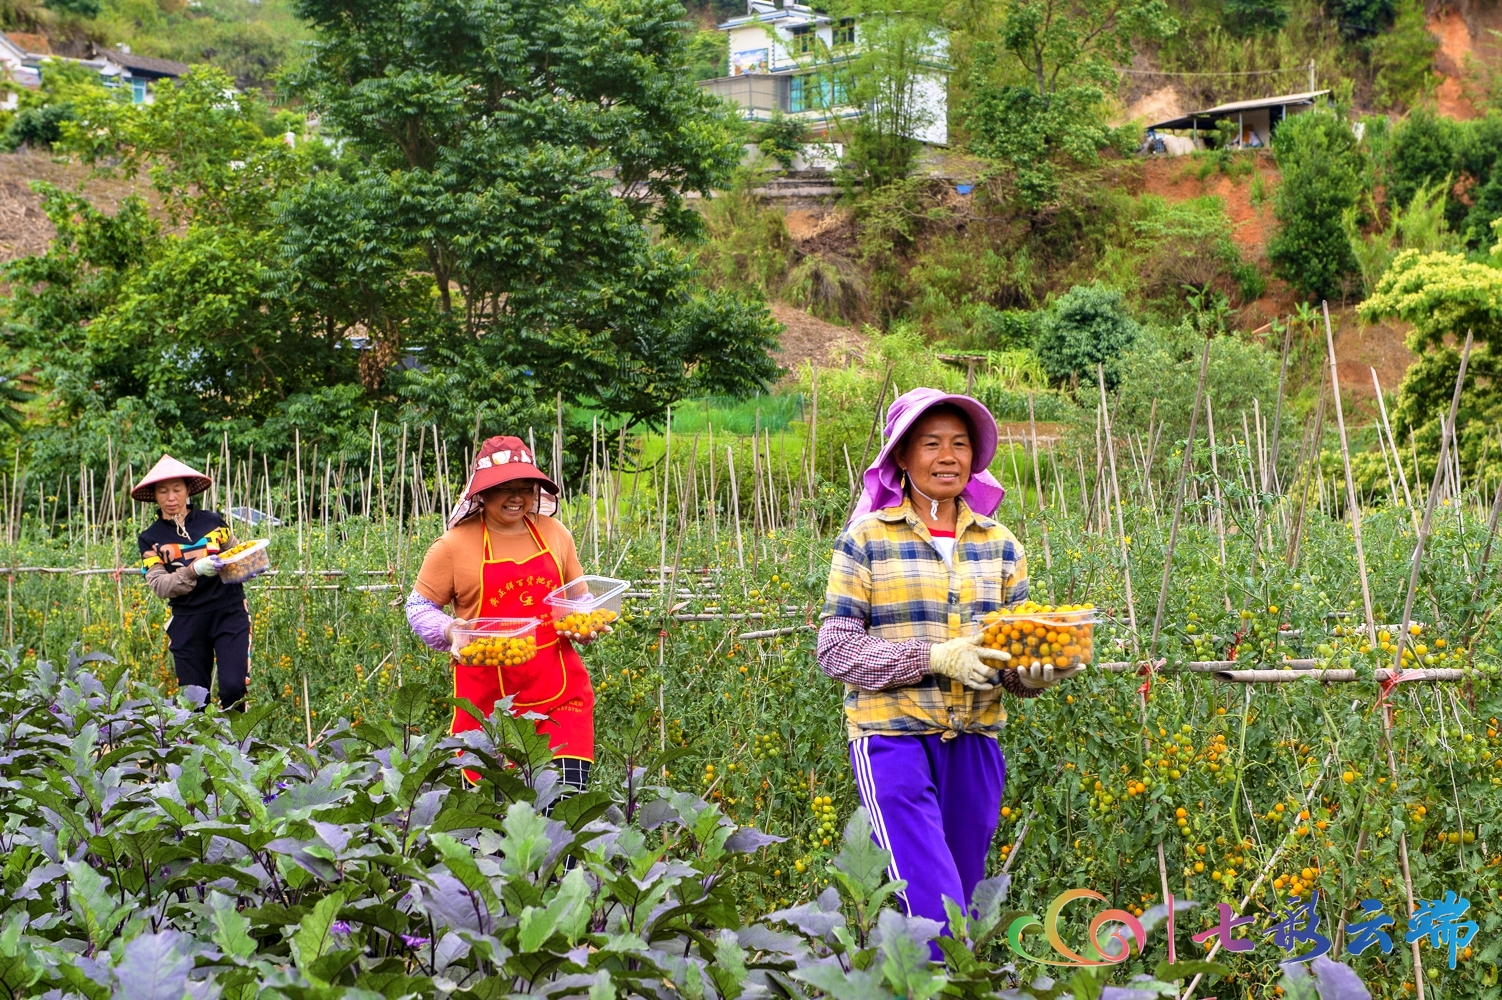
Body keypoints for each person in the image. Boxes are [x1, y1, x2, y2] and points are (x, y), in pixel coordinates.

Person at [817, 388, 1085, 949]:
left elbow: (1013, 656)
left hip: (975, 741)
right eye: (931, 443)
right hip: (892, 737)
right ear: (901, 458)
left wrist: (1033, 675)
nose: (947, 456)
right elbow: (835, 650)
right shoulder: (866, 539)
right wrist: (934, 655)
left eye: (960, 444)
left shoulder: (1001, 545)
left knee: (961, 905)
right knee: (932, 906)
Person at [406, 435, 602, 790]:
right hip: (488, 712)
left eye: (525, 487)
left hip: (561, 701)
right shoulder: (453, 545)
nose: (516, 497)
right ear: (481, 493)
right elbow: (419, 607)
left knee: (563, 818)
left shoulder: (554, 533)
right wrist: (451, 631)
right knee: (492, 835)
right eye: (503, 488)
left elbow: (579, 598)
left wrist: (584, 622)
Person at [134, 455, 250, 710]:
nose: (171, 497)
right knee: (195, 701)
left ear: (188, 490)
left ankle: (238, 746)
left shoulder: (213, 522)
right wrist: (195, 569)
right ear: (154, 495)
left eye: (177, 489)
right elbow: (160, 586)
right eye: (163, 491)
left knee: (233, 687)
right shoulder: (150, 538)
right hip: (187, 620)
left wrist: (248, 566)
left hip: (228, 611)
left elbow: (236, 555)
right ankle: (200, 748)